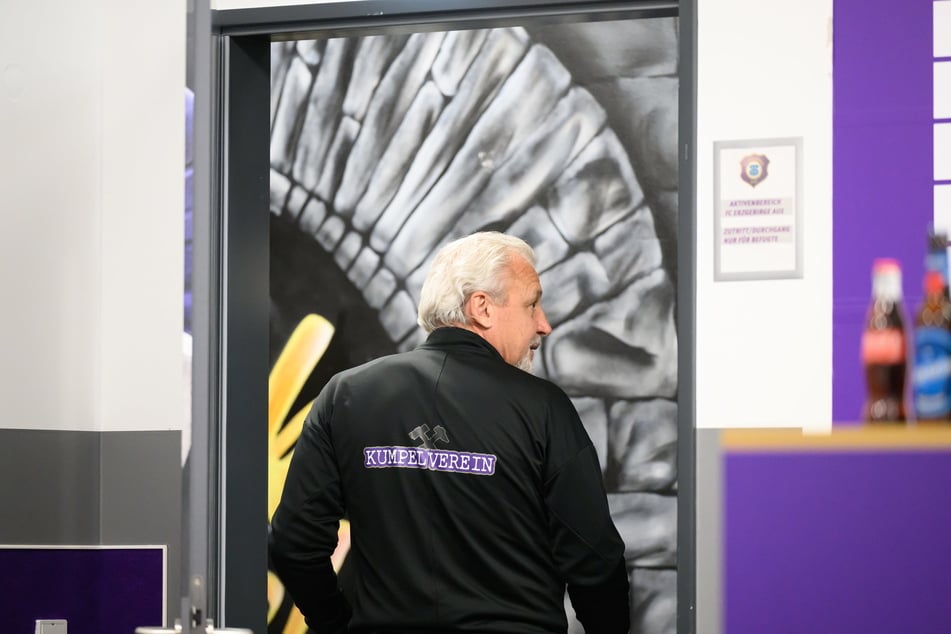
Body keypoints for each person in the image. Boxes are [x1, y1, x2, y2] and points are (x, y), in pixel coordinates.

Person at [268, 231, 629, 633]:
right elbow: (595, 563)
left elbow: (294, 543)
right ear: (483, 308)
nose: (543, 325)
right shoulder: (544, 409)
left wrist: (334, 625)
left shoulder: (345, 396)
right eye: (531, 304)